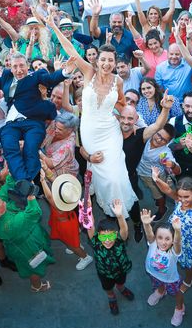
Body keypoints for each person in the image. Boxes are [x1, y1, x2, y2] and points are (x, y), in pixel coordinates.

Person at [49, 16, 138, 218]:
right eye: (103, 59)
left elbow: (122, 105)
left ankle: (123, 211)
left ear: (115, 62)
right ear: (97, 60)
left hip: (110, 132)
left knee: (116, 175)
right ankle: (110, 212)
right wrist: (54, 26)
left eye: (110, 60)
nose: (106, 63)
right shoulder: (88, 72)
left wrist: (126, 119)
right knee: (102, 174)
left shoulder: (118, 82)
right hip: (90, 132)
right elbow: (71, 50)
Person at [0, 51, 69, 183]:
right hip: (12, 124)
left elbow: (50, 79)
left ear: (27, 66)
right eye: (15, 67)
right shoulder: (7, 78)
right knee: (9, 148)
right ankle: (24, 182)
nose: (19, 70)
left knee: (31, 149)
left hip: (32, 122)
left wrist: (64, 72)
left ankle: (27, 182)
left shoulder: (36, 76)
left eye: (21, 66)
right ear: (10, 68)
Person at [0, 175, 55, 292]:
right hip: (27, 248)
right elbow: (34, 213)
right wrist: (31, 196)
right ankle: (36, 286)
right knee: (33, 269)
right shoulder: (8, 226)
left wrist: (12, 173)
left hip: (28, 236)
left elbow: (7, 185)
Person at [118, 95, 175, 240]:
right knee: (115, 202)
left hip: (129, 177)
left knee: (133, 205)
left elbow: (157, 126)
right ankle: (117, 222)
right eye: (123, 117)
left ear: (136, 120)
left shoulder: (141, 135)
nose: (126, 121)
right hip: (112, 176)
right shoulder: (112, 131)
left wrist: (166, 109)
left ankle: (137, 225)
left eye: (130, 119)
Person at [151, 175, 192, 304]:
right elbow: (167, 190)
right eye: (180, 196)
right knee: (167, 261)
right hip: (173, 240)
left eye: (187, 197)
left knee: (190, 265)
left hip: (190, 245)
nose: (183, 200)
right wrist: (156, 179)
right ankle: (163, 285)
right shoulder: (178, 201)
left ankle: (188, 280)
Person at [86, 198, 134, 315]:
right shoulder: (95, 241)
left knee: (121, 281)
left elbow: (124, 229)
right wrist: (89, 209)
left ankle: (121, 288)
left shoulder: (119, 240)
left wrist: (119, 216)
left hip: (121, 269)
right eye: (103, 237)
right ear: (98, 236)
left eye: (110, 236)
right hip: (104, 273)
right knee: (107, 287)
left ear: (116, 234)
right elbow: (90, 226)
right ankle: (111, 297)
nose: (107, 241)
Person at [39, 171, 93, 270]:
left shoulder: (57, 204)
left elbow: (49, 196)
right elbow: (55, 181)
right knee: (72, 238)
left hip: (65, 226)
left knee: (72, 244)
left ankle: (85, 257)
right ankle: (76, 243)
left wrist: (42, 180)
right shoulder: (67, 197)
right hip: (70, 220)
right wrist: (46, 170)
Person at [141, 210, 186, 327]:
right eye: (160, 237)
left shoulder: (173, 251)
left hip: (170, 279)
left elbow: (177, 242)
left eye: (167, 239)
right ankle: (161, 292)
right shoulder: (153, 243)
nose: (163, 242)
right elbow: (149, 234)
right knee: (159, 285)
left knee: (177, 294)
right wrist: (146, 224)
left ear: (172, 241)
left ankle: (179, 308)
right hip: (153, 274)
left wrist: (177, 230)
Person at [136, 123, 182, 220]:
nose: (159, 139)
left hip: (154, 177)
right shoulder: (147, 136)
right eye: (158, 135)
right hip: (140, 171)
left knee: (158, 194)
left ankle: (162, 209)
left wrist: (172, 165)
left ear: (167, 142)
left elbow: (178, 171)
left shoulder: (164, 152)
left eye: (164, 139)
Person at [40, 113, 80, 178]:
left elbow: (50, 164)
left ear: (69, 130)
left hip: (61, 172)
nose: (56, 130)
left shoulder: (68, 146)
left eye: (60, 129)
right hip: (47, 159)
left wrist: (37, 150)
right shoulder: (57, 123)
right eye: (56, 127)